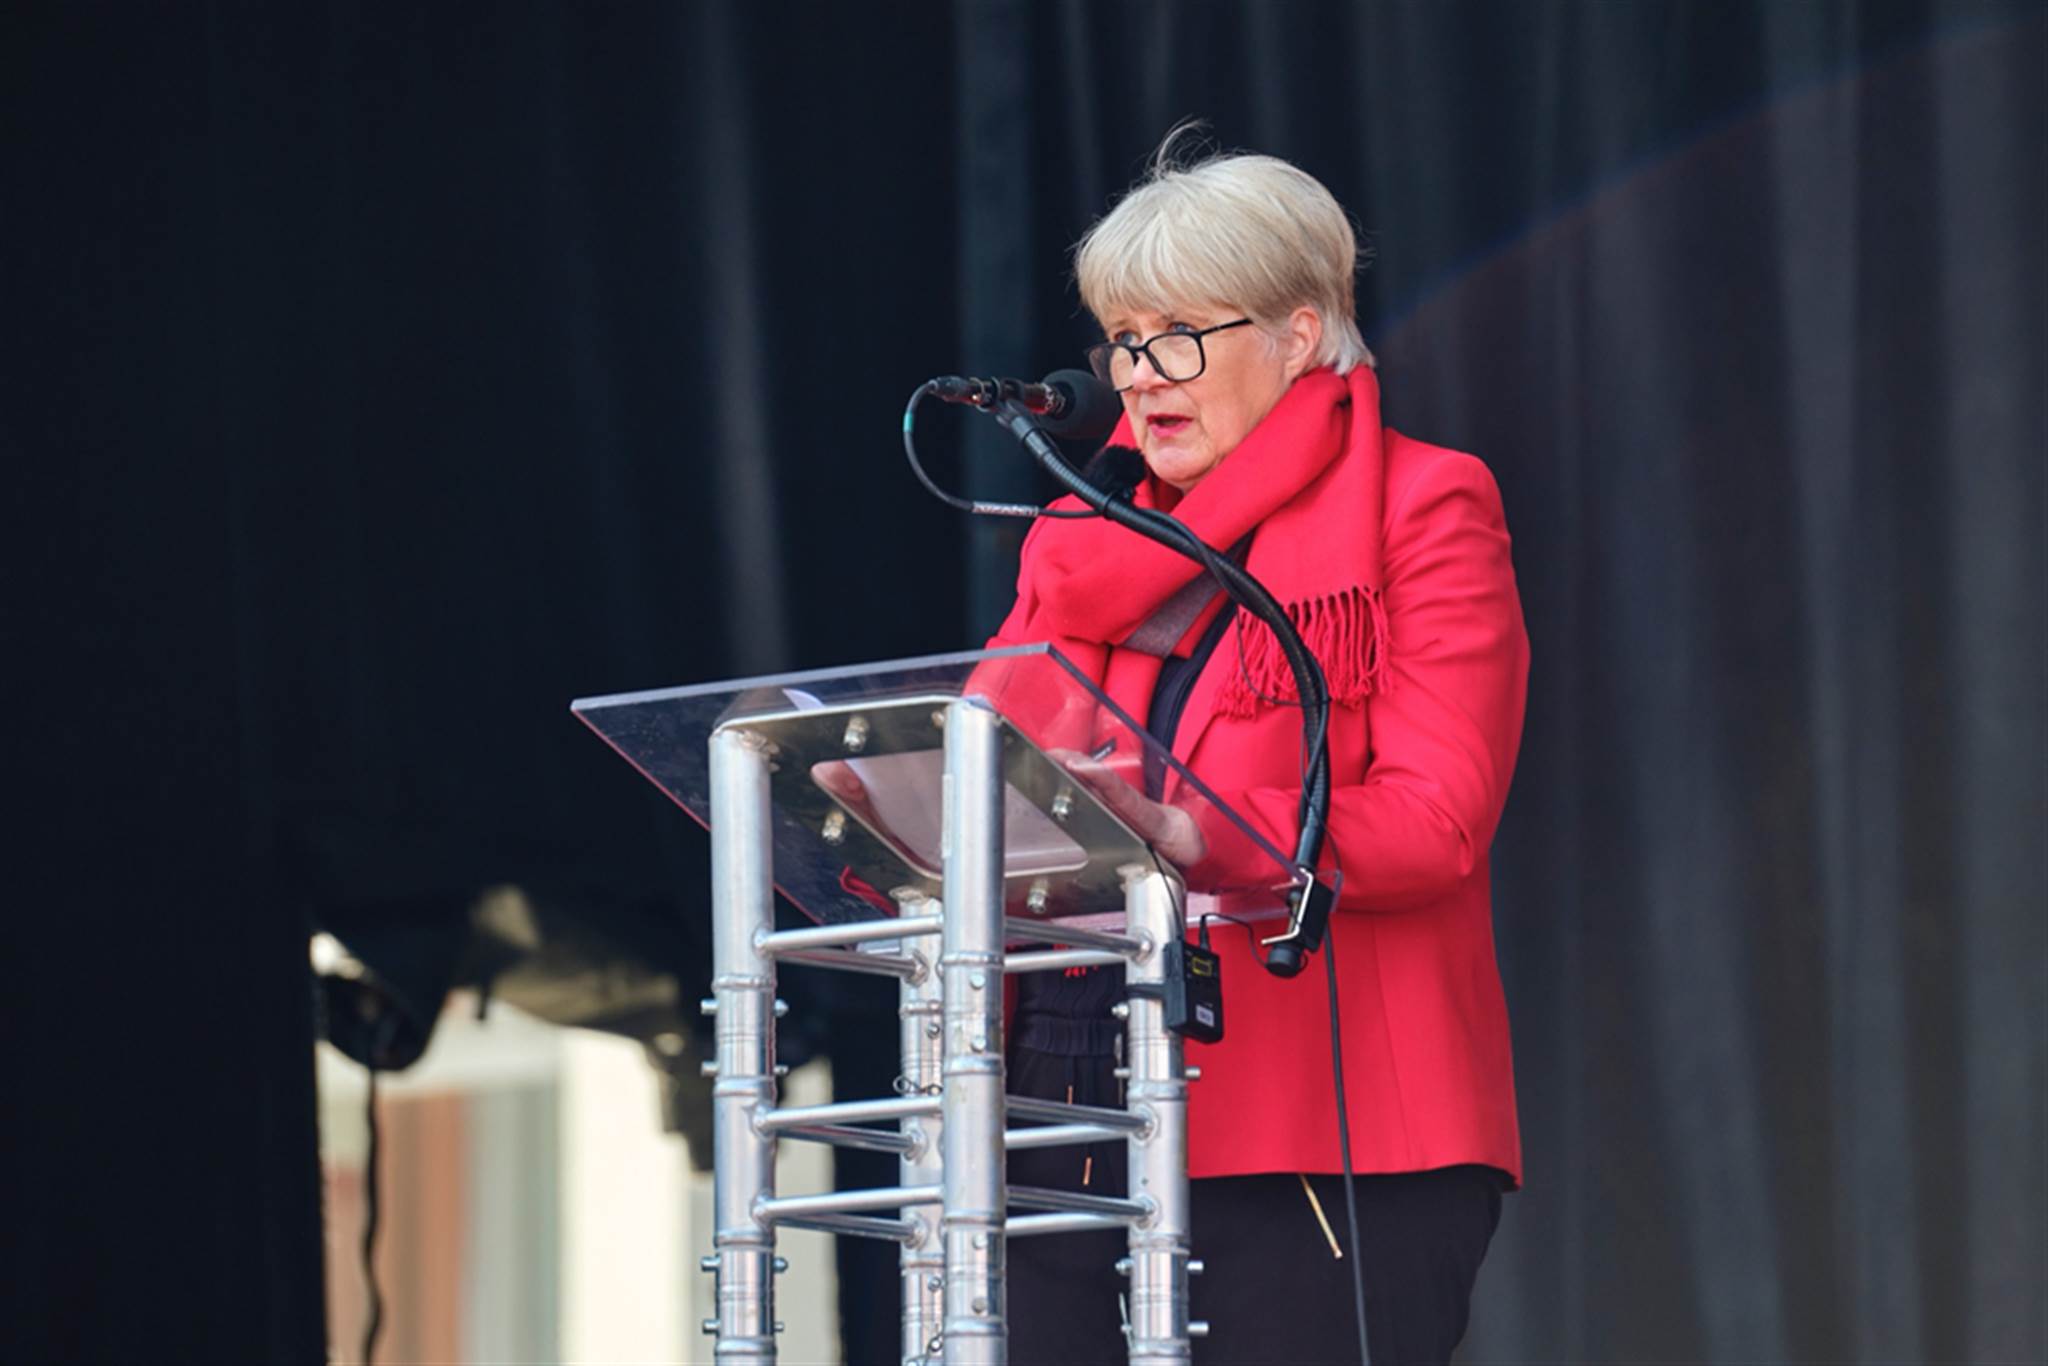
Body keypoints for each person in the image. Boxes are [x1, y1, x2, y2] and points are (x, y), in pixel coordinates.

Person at [984, 133, 1530, 1365]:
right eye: (1122, 339)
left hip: (1321, 1139)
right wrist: (889, 813)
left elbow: (1436, 817)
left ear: (1296, 335)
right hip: (1056, 1114)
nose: (1139, 376)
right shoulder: (1075, 544)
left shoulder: (1420, 503)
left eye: (1178, 334)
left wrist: (1201, 835)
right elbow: (986, 768)